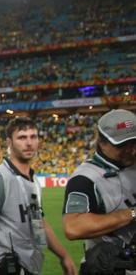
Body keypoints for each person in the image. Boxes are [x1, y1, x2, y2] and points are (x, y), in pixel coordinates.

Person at [0, 117, 76, 275]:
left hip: (30, 265)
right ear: (9, 142)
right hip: (5, 267)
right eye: (22, 137)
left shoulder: (34, 181)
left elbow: (38, 222)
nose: (29, 143)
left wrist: (64, 256)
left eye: (33, 136)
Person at [62, 109, 136, 275]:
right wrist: (131, 214)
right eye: (122, 145)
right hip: (112, 268)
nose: (131, 150)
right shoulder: (85, 178)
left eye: (134, 143)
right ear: (102, 143)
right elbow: (73, 227)